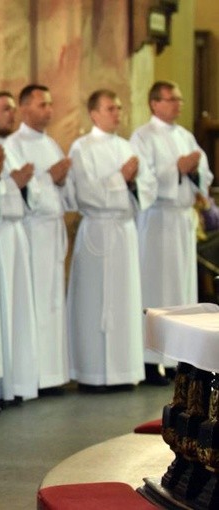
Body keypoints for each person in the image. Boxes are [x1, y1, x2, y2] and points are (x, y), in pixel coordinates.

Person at [66, 89, 157, 390]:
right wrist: (121, 178)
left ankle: (122, 372)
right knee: (94, 301)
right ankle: (92, 374)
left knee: (123, 298)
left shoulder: (127, 147)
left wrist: (131, 182)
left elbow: (148, 187)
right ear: (94, 113)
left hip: (123, 230)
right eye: (110, 108)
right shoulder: (82, 148)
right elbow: (85, 192)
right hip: (97, 231)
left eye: (119, 107)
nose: (117, 113)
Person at [131, 80, 213, 385]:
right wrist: (174, 169)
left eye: (179, 99)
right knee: (156, 290)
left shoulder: (185, 135)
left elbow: (203, 174)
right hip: (156, 221)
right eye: (172, 99)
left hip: (180, 221)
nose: (178, 104)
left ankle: (182, 358)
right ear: (155, 103)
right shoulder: (142, 136)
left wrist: (192, 172)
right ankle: (152, 362)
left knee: (182, 290)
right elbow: (143, 180)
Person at [4, 84, 71, 395]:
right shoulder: (14, 144)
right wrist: (50, 177)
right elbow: (23, 187)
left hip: (52, 231)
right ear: (24, 108)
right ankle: (36, 376)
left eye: (50, 104)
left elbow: (63, 190)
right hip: (32, 231)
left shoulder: (51, 143)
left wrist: (59, 179)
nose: (49, 110)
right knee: (36, 302)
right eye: (42, 104)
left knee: (54, 301)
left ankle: (54, 374)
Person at [0, 91, 40, 402]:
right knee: (3, 310)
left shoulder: (10, 148)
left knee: (19, 310)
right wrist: (12, 182)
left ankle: (19, 382)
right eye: (5, 109)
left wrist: (24, 183)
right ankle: (2, 387)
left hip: (17, 232)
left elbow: (33, 192)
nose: (11, 115)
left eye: (13, 109)